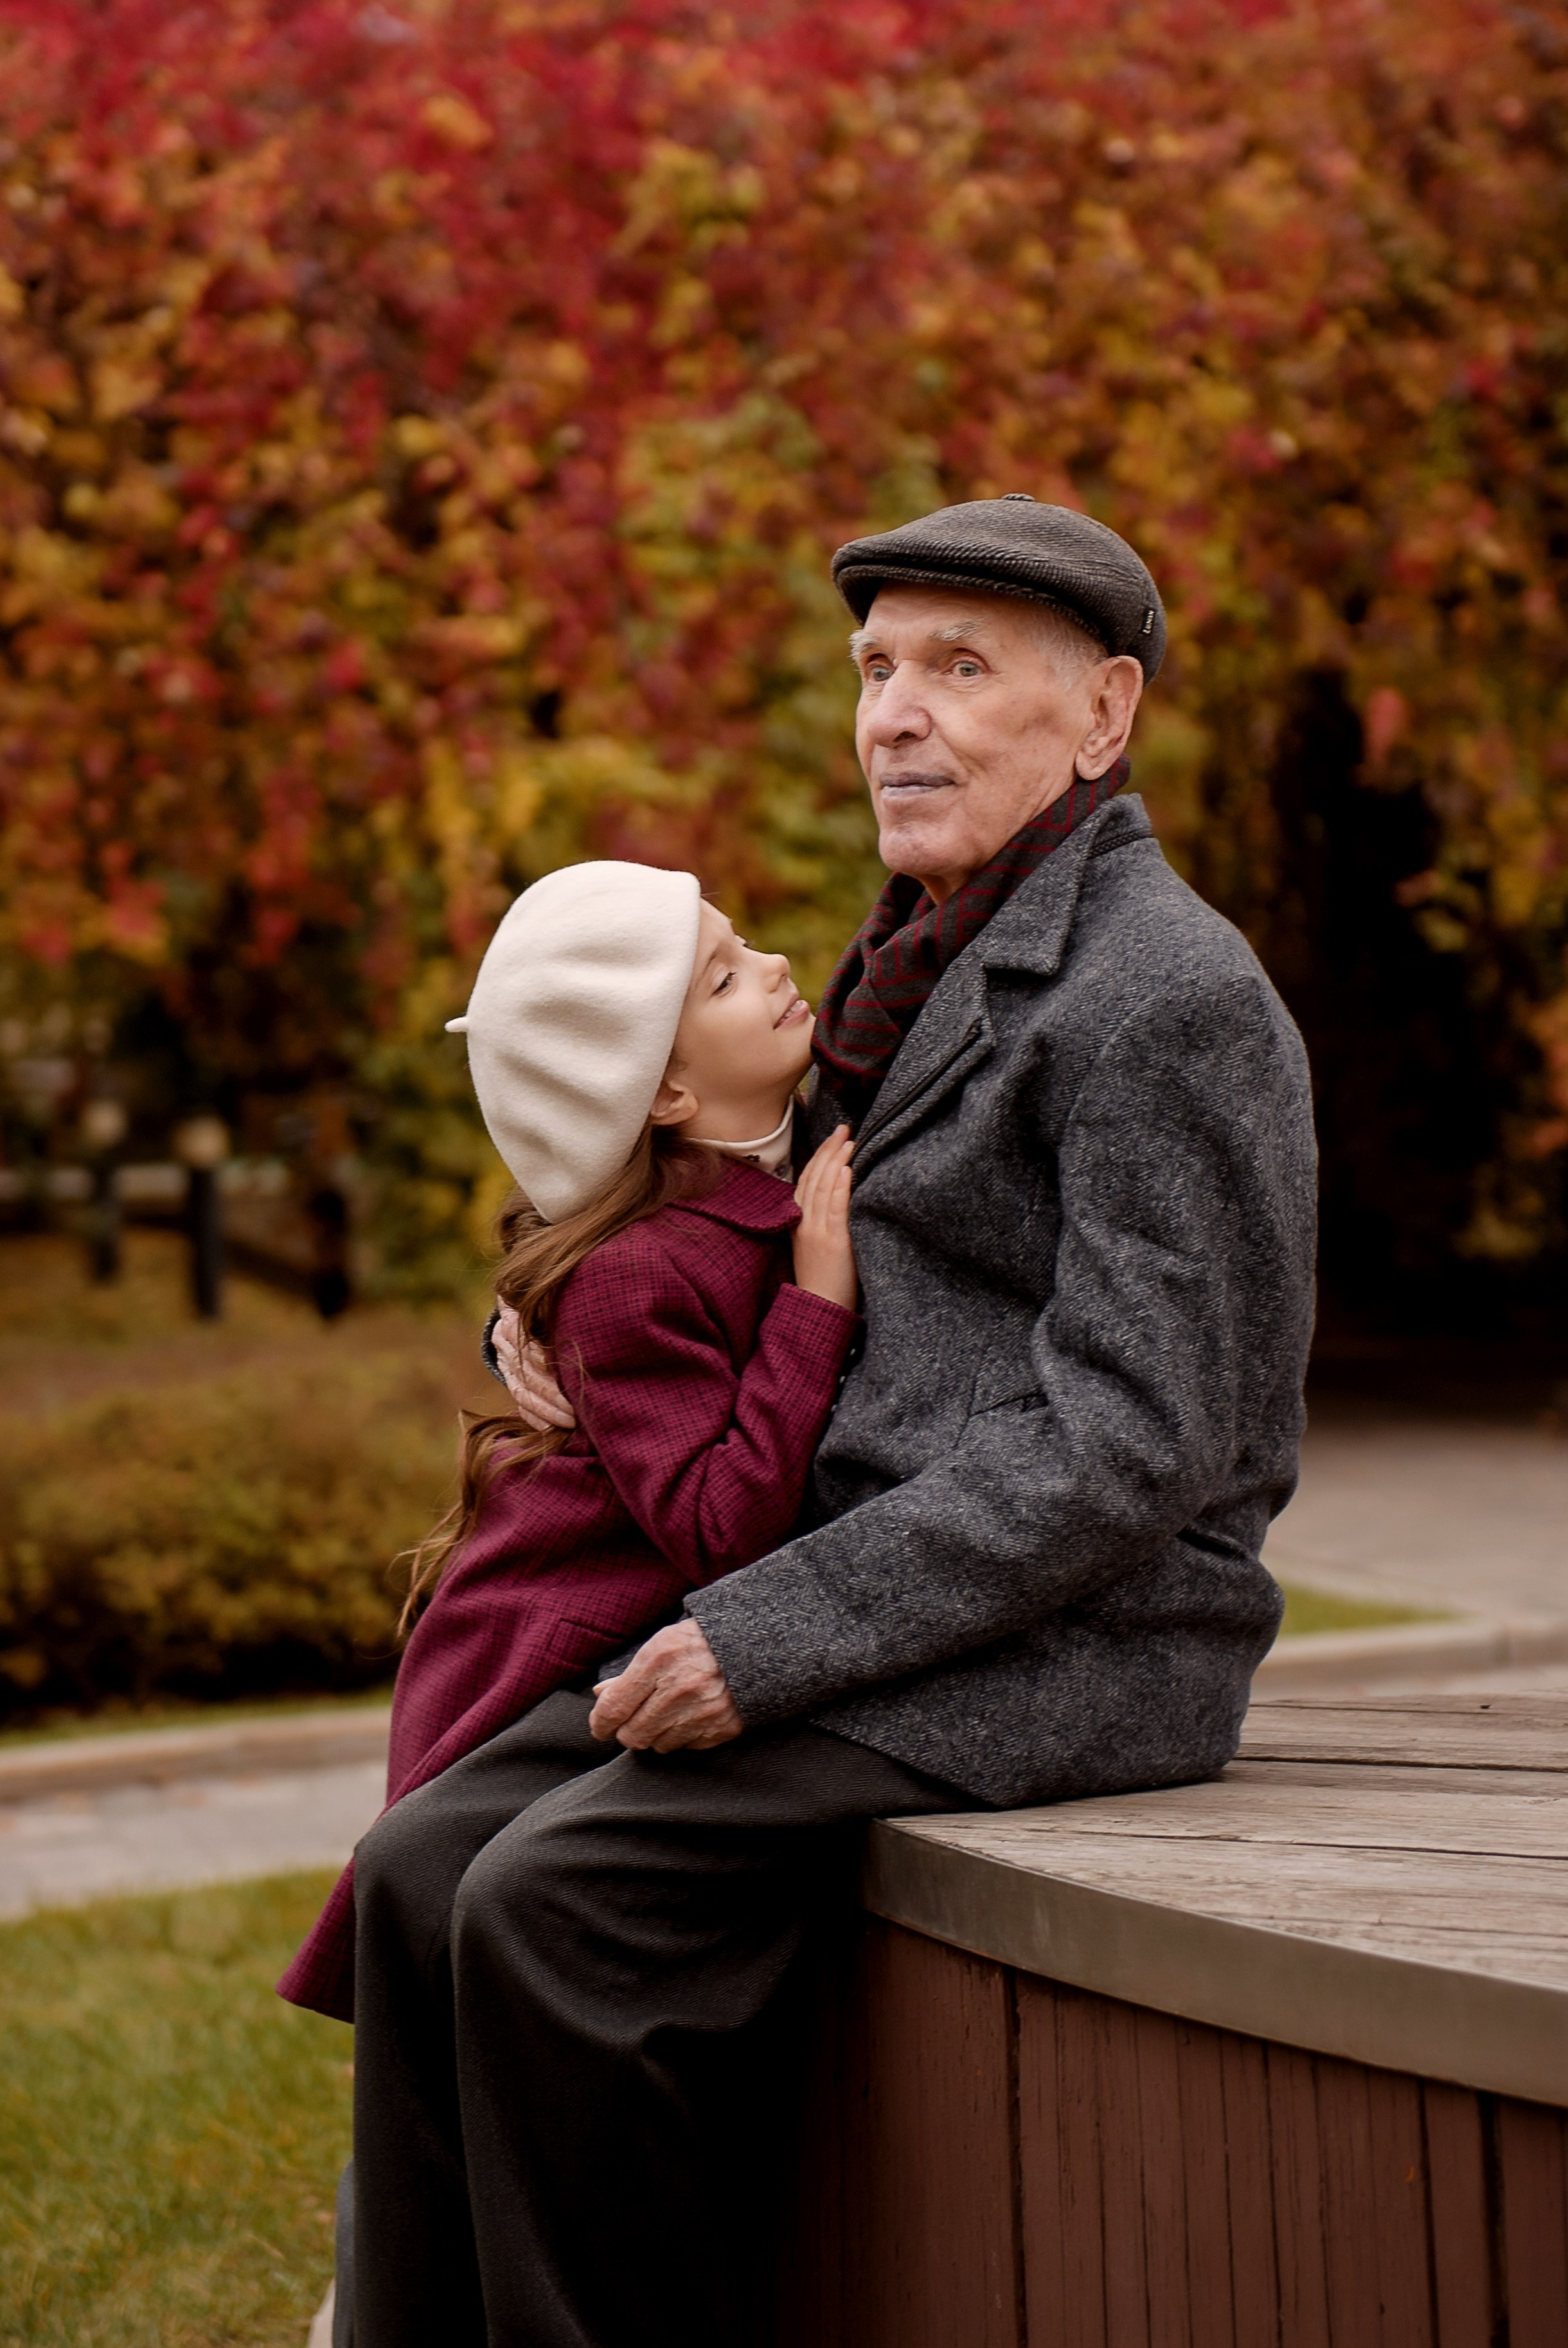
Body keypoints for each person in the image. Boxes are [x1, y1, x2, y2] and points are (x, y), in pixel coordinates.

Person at [346, 496, 1317, 2348]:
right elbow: (708, 1181)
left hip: (1077, 1634)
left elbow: (1141, 1435)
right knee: (413, 1875)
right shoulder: (913, 957)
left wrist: (769, 1636)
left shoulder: (1168, 998)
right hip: (854, 1589)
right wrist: (533, 1312)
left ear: (1101, 716)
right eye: (877, 669)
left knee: (546, 1909)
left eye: (960, 668)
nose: (894, 715)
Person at [278, 859, 861, 2023]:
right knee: (439, 1918)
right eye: (724, 978)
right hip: (547, 1637)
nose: (778, 967)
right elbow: (719, 1526)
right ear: (666, 1093)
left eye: (742, 945)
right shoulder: (643, 1265)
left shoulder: (794, 1141)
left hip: (637, 1622)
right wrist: (816, 1303)